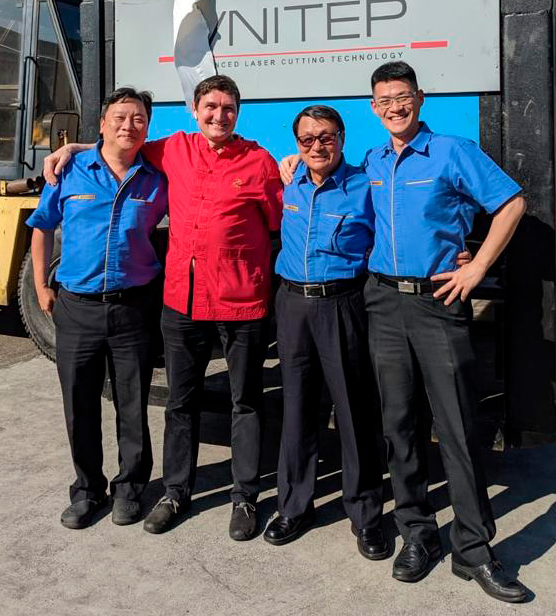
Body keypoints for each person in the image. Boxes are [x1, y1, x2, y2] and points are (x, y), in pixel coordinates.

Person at [281, 61, 528, 603]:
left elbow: (512, 203)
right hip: (381, 302)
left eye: (403, 97)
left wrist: (476, 267)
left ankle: (473, 549)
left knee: (457, 427)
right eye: (384, 100)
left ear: (419, 98)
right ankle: (418, 533)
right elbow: (322, 179)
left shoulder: (452, 151)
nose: (395, 107)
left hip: (438, 303)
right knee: (398, 425)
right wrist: (290, 164)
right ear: (373, 108)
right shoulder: (370, 161)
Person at [44, 75, 283, 541]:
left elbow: (279, 226)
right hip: (183, 302)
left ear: (238, 113)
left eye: (228, 108)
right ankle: (175, 492)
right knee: (181, 403)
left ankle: (245, 497)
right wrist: (72, 149)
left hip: (241, 302)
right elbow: (120, 146)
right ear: (195, 110)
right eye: (210, 107)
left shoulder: (259, 162)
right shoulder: (173, 149)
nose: (219, 115)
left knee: (246, 402)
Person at [28, 87, 167, 530]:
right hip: (77, 308)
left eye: (139, 119)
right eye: (120, 117)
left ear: (148, 127)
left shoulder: (158, 178)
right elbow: (41, 227)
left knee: (132, 405)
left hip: (133, 308)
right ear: (102, 123)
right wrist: (40, 287)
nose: (129, 126)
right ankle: (87, 490)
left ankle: (130, 488)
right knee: (79, 404)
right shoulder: (69, 171)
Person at [264, 105, 386, 560]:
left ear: (342, 138)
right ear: (297, 144)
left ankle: (366, 514)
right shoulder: (289, 179)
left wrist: (455, 252)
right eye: (307, 139)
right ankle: (294, 506)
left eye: (326, 137)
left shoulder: (365, 186)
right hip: (292, 304)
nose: (317, 146)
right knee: (295, 407)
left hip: (342, 303)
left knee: (354, 411)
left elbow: (401, 227)